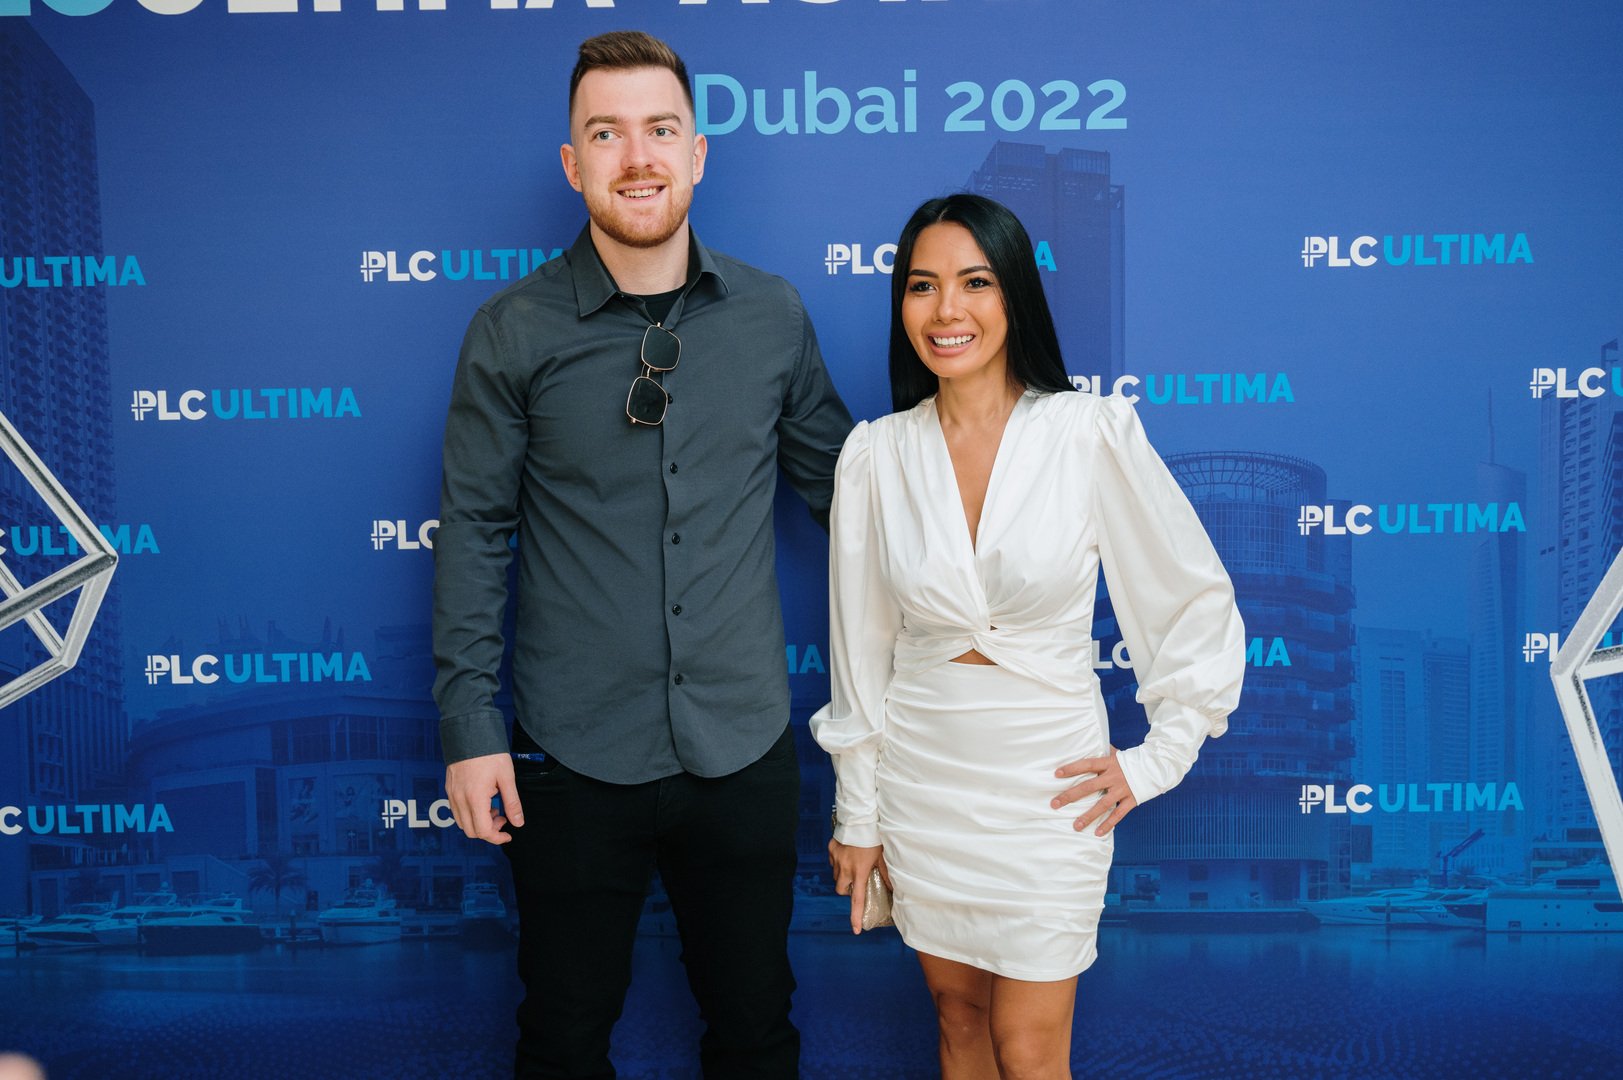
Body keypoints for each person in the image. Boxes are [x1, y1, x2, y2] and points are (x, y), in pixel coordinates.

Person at [431, 30, 853, 1079]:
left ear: (697, 152)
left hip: (741, 748)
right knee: (562, 1041)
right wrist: (470, 728)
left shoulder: (772, 315)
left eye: (660, 129)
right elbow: (476, 531)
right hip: (572, 755)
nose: (637, 157)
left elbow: (853, 499)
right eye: (606, 133)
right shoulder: (511, 331)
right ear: (572, 162)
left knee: (756, 1035)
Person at [811, 193, 1245, 1079]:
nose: (946, 310)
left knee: (1030, 1046)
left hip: (1051, 788)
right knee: (957, 1018)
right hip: (924, 782)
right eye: (922, 286)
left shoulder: (1089, 432)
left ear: (1014, 295)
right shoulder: (875, 455)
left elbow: (1187, 600)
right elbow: (860, 653)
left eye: (974, 282)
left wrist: (1156, 759)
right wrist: (858, 814)